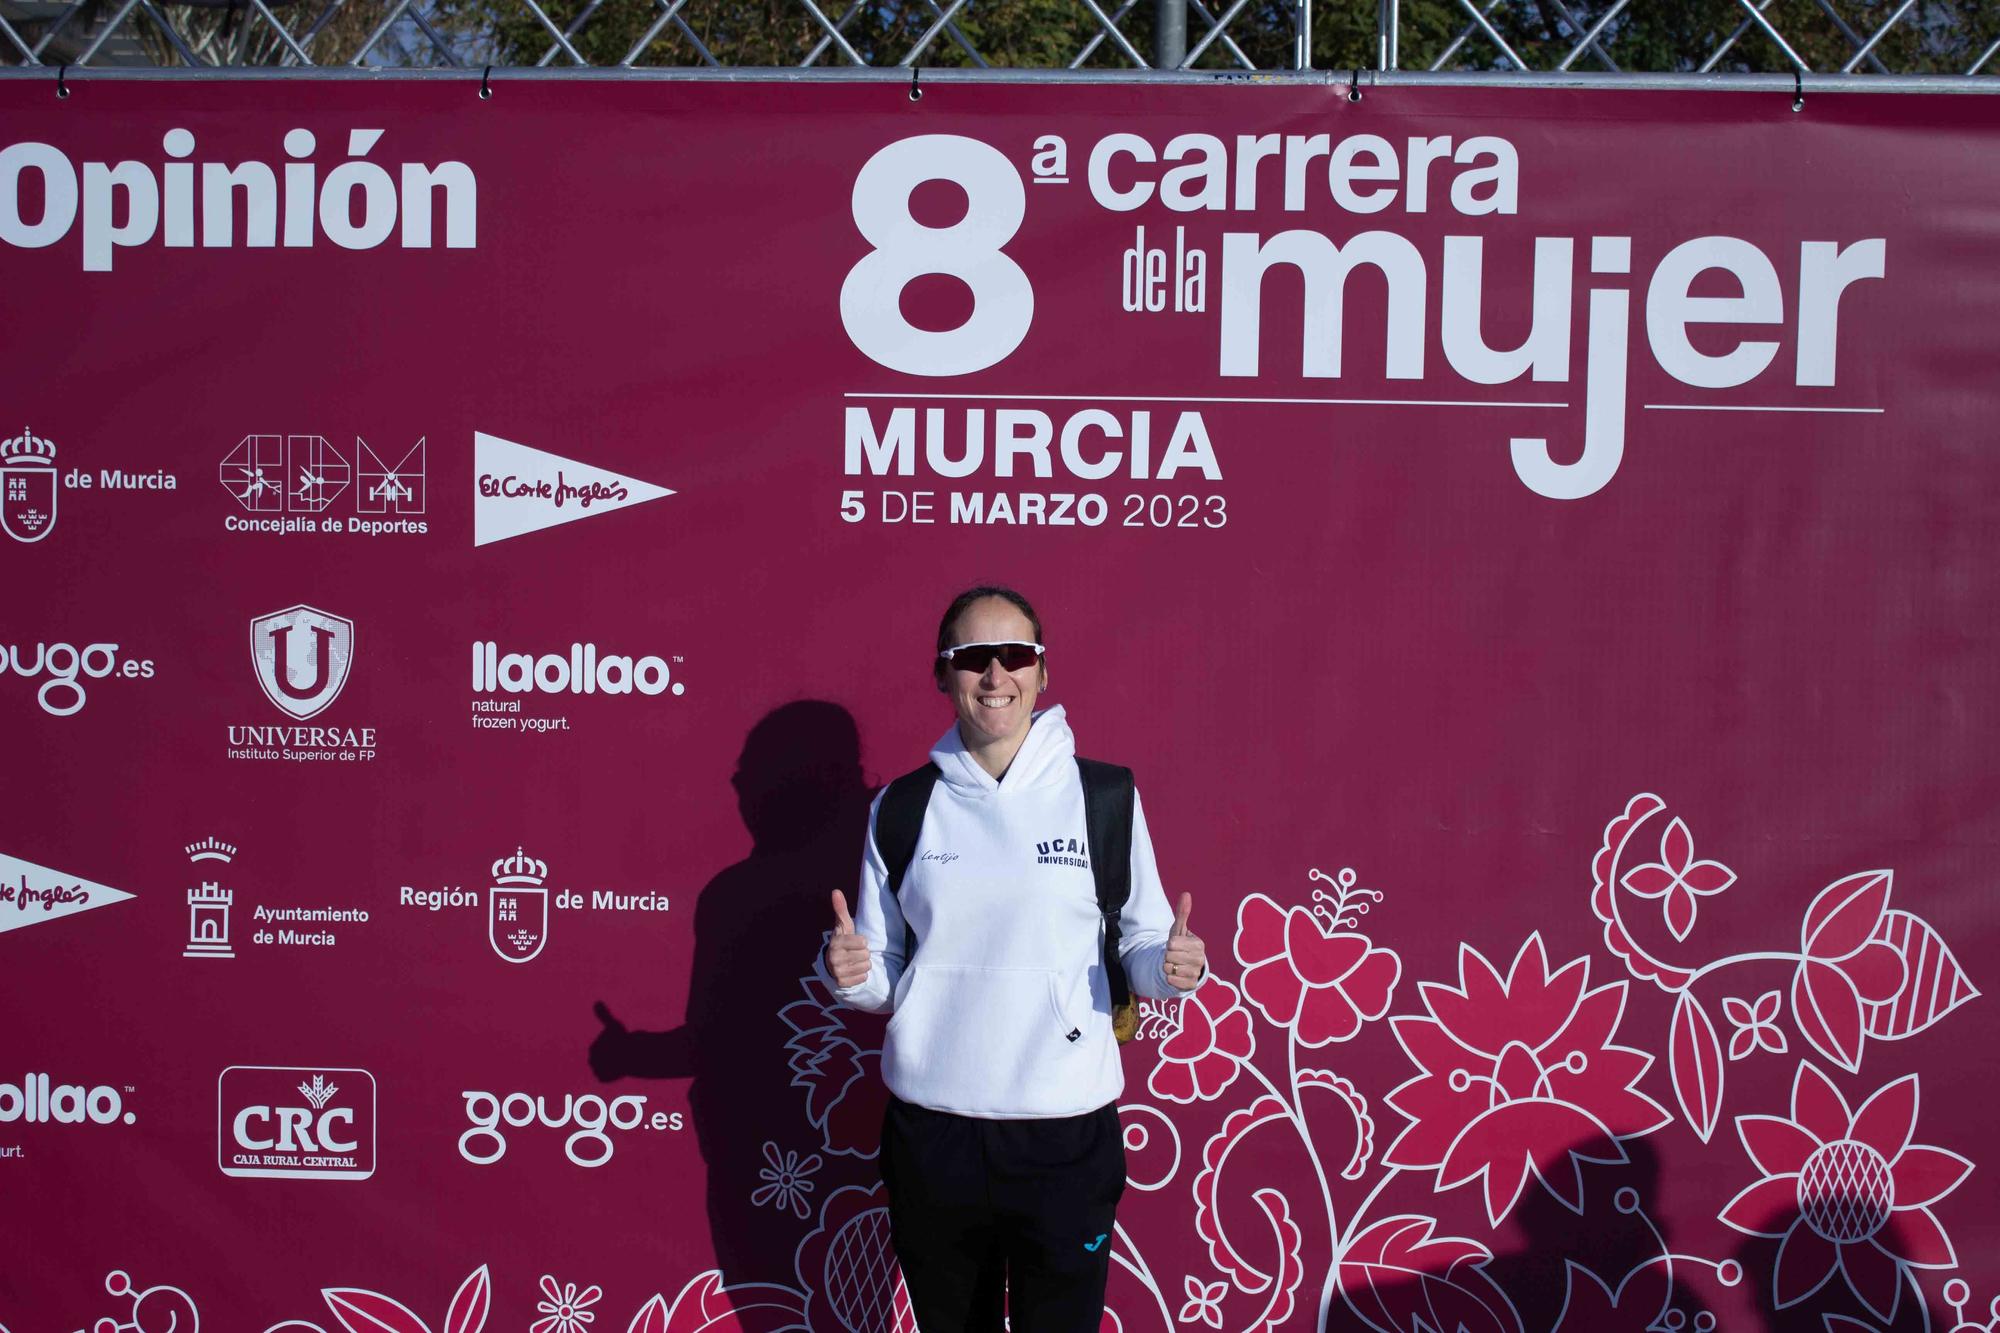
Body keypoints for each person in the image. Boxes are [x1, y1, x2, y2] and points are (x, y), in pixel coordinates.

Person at [819, 585, 1206, 1333]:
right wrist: (851, 973)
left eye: (1015, 654)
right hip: (934, 1135)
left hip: (1065, 1133)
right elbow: (883, 974)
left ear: (1042, 671)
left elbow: (1143, 944)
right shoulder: (901, 807)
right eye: (972, 658)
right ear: (943, 673)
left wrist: (1172, 966)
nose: (995, 676)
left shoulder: (1104, 795)